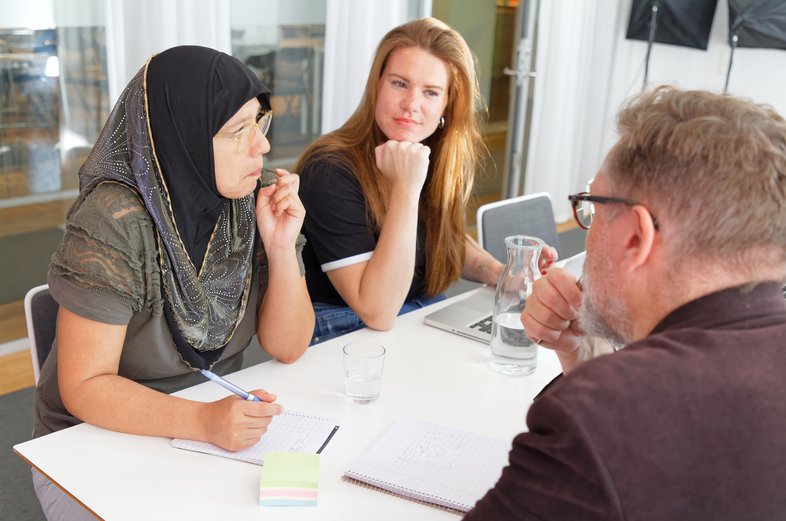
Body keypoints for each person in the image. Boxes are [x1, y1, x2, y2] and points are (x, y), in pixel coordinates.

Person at [465, 86, 786, 520]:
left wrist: (601, 387)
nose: (588, 230)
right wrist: (586, 353)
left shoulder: (601, 419)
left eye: (593, 209)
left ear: (636, 236)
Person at [31, 46, 314, 519]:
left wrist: (282, 248)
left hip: (213, 427)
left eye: (259, 123)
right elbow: (84, 386)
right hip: (92, 443)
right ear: (182, 137)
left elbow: (288, 346)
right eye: (237, 131)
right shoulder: (114, 220)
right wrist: (201, 421)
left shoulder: (249, 198)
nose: (261, 146)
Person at [296, 18, 557, 344]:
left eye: (430, 92)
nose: (412, 105)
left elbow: (440, 235)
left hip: (420, 312)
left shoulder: (425, 150)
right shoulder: (329, 170)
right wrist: (406, 187)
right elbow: (376, 310)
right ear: (376, 84)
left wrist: (503, 273)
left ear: (447, 103)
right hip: (347, 332)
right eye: (399, 84)